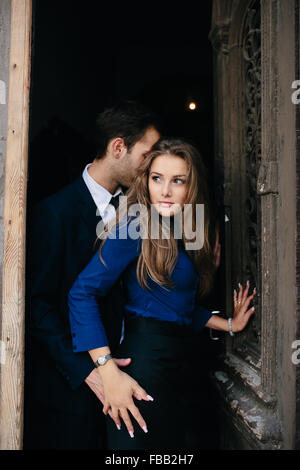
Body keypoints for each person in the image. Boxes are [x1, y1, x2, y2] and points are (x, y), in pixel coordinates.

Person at [68, 137, 256, 450]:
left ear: (191, 187)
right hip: (143, 370)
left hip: (180, 370)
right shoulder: (134, 226)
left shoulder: (183, 230)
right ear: (147, 181)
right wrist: (107, 370)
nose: (165, 191)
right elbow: (81, 293)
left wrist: (229, 325)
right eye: (157, 179)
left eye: (177, 181)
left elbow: (176, 308)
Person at [23, 100, 161, 450]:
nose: (152, 166)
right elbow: (37, 308)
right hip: (70, 394)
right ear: (118, 147)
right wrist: (93, 373)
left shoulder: (141, 209)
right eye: (147, 155)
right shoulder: (53, 213)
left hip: (132, 382)